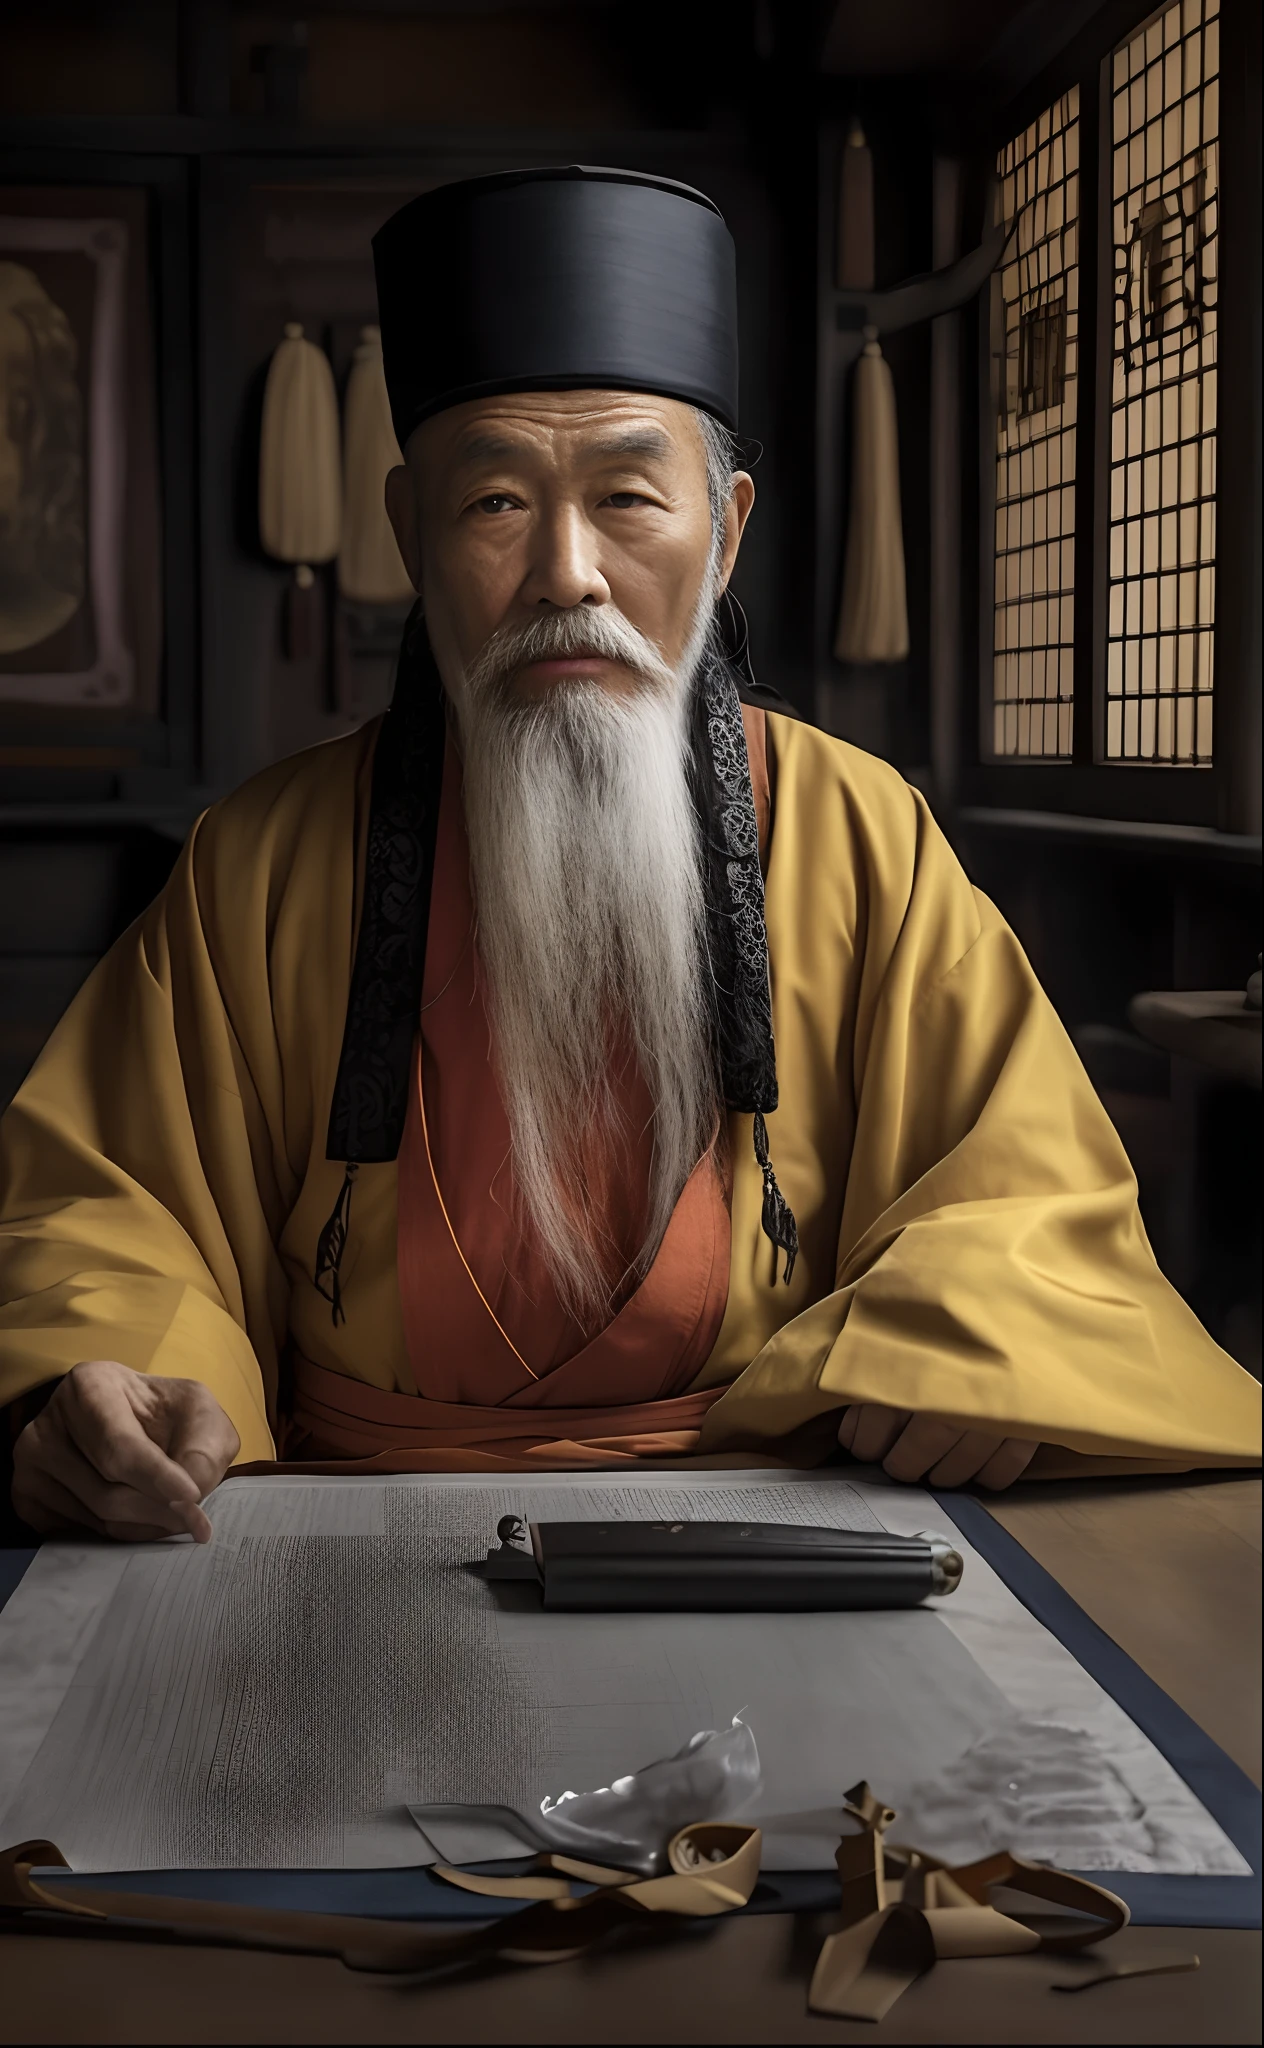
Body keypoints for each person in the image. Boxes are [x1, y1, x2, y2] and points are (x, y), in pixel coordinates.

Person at [1, 168, 1257, 1545]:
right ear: (408, 533)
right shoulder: (263, 863)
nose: (567, 573)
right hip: (348, 1529)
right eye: (493, 505)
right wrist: (103, 1386)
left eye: (627, 499)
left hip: (779, 1519)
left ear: (724, 532)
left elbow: (1028, 1211)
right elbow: (107, 1221)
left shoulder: (857, 834)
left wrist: (980, 1350)